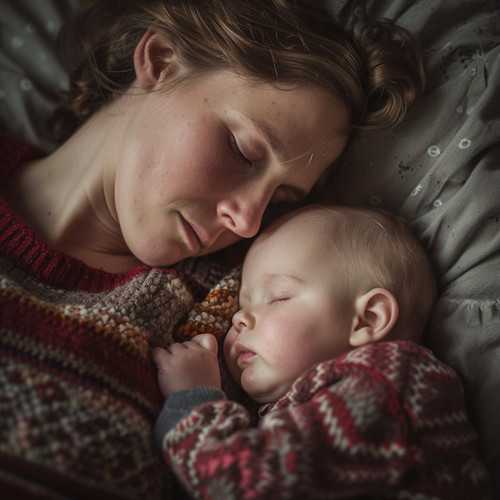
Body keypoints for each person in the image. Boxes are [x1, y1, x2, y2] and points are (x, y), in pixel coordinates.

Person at [0, 0, 426, 498]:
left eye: (280, 200)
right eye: (243, 151)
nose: (246, 221)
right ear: (160, 60)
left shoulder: (247, 312)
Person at [153, 204, 492, 499]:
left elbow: (249, 483)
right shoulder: (308, 398)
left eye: (279, 297)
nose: (240, 318)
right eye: (243, 304)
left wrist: (193, 399)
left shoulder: (393, 384)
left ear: (367, 320)